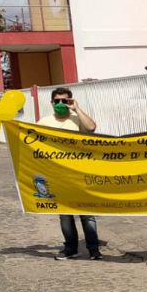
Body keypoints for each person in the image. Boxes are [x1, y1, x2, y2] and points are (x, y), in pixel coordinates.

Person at [37, 88, 101, 261]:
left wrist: (77, 108)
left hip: (79, 173)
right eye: (57, 101)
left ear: (70, 101)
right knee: (65, 215)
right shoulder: (44, 122)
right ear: (52, 103)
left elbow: (91, 128)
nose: (60, 104)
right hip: (57, 175)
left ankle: (94, 249)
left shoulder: (76, 119)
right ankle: (71, 249)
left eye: (64, 101)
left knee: (86, 213)